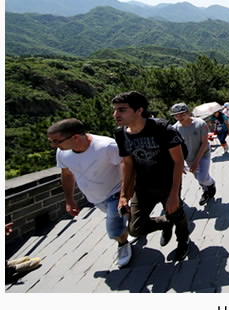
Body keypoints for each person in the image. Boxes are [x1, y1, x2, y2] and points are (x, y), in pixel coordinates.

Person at [112, 91, 190, 262]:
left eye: (122, 110)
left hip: (166, 182)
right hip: (142, 186)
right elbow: (128, 163)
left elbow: (178, 161)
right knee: (135, 228)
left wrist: (173, 195)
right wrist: (124, 195)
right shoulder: (120, 134)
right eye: (116, 109)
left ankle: (183, 239)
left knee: (176, 212)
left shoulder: (161, 128)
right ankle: (165, 223)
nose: (116, 114)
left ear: (139, 110)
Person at [47, 118, 132, 268]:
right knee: (121, 218)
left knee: (114, 229)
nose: (53, 145)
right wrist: (69, 199)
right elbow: (67, 174)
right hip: (95, 198)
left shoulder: (106, 146)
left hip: (115, 193)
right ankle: (132, 221)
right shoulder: (62, 152)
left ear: (75, 137)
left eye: (56, 141)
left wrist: (125, 195)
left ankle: (123, 245)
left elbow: (128, 165)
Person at [170, 103, 217, 206]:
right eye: (176, 115)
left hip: (203, 154)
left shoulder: (200, 124)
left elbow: (204, 143)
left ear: (188, 112)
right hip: (189, 157)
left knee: (203, 177)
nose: (179, 117)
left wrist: (196, 161)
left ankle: (211, 184)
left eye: (182, 114)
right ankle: (206, 192)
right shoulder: (175, 129)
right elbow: (178, 148)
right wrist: (180, 164)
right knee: (198, 177)